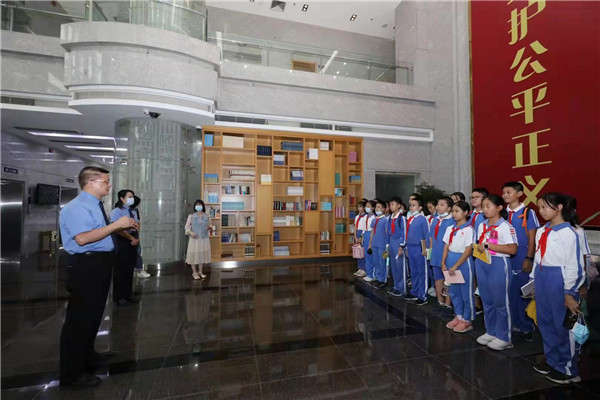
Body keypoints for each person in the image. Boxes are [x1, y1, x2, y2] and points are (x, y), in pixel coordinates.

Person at [59, 167, 137, 388]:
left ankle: (88, 356)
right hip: (86, 266)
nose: (109, 185)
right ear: (91, 182)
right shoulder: (77, 207)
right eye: (105, 182)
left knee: (93, 316)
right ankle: (72, 374)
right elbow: (82, 239)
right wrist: (116, 225)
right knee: (79, 320)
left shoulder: (95, 205)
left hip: (99, 264)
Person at [532, 193, 585, 384]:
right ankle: (553, 361)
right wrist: (533, 281)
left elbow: (575, 265)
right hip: (542, 276)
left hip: (559, 279)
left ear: (560, 207)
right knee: (545, 322)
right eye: (539, 207)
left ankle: (568, 368)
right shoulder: (542, 231)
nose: (541, 211)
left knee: (562, 325)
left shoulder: (570, 233)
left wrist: (569, 292)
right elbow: (538, 257)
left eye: (545, 207)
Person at [475, 194, 518, 351]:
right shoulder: (482, 225)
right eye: (483, 206)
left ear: (499, 207)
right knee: (487, 300)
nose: (484, 209)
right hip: (482, 262)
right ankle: (491, 331)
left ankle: (504, 337)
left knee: (500, 302)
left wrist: (489, 246)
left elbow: (512, 249)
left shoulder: (505, 227)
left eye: (488, 206)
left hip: (499, 264)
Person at [502, 181, 540, 342]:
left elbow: (532, 238)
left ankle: (526, 326)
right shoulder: (501, 212)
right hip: (504, 256)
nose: (505, 195)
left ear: (519, 194)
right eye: (504, 192)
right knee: (508, 292)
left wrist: (529, 258)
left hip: (522, 256)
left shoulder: (527, 212)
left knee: (523, 293)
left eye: (509, 192)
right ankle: (512, 324)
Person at [442, 201, 475, 333]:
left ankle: (467, 319)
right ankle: (459, 315)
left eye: (457, 211)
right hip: (451, 259)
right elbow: (446, 246)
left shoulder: (469, 230)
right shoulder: (450, 228)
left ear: (466, 213)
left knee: (466, 291)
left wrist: (456, 265)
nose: (454, 214)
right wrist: (443, 262)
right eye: (453, 211)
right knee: (454, 291)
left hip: (463, 262)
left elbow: (468, 250)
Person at [110, 190, 140, 306]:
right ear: (122, 198)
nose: (132, 199)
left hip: (133, 241)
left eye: (132, 196)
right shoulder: (117, 211)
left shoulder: (133, 211)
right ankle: (119, 297)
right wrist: (130, 238)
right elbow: (115, 228)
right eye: (129, 197)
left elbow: (136, 225)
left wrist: (136, 238)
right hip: (122, 241)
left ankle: (128, 294)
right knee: (120, 270)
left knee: (129, 269)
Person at [429, 197, 455, 307]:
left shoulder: (452, 221)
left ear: (449, 208)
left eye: (442, 205)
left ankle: (448, 304)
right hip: (435, 254)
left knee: (449, 279)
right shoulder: (435, 220)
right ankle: (440, 301)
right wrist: (430, 252)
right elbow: (431, 237)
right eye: (438, 204)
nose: (438, 207)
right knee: (438, 278)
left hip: (447, 254)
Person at [404, 197, 430, 305]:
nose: (411, 207)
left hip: (419, 248)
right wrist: (406, 247)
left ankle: (422, 295)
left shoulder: (422, 219)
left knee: (421, 271)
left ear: (420, 208)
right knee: (413, 271)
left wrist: (426, 249)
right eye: (410, 205)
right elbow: (407, 234)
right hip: (410, 247)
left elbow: (427, 234)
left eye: (414, 205)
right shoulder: (410, 219)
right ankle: (414, 291)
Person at [185, 199, 212, 279]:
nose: (199, 206)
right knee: (193, 255)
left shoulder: (206, 216)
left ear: (203, 206)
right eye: (197, 205)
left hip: (204, 239)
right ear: (195, 206)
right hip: (194, 239)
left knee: (201, 255)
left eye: (200, 205)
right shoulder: (191, 216)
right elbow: (187, 227)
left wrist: (209, 227)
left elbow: (210, 225)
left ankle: (200, 271)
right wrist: (191, 232)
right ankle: (194, 272)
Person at [387, 197, 407, 297]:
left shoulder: (401, 218)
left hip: (398, 242)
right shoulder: (390, 218)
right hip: (391, 242)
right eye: (390, 205)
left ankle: (402, 288)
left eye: (393, 204)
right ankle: (396, 286)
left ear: (399, 206)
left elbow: (404, 233)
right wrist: (388, 245)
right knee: (393, 266)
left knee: (400, 267)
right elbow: (388, 232)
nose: (391, 207)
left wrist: (401, 246)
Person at [367, 200, 390, 289]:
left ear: (384, 209)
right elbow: (372, 232)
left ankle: (383, 280)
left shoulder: (385, 220)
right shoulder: (374, 220)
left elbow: (387, 232)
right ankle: (377, 277)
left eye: (379, 207)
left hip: (382, 245)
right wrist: (370, 244)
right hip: (374, 244)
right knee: (376, 261)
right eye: (376, 207)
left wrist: (387, 245)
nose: (377, 209)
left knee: (382, 262)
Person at [131, 195, 151, 278]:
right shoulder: (124, 211)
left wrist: (137, 231)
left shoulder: (135, 210)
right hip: (127, 234)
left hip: (135, 234)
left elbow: (138, 222)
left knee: (138, 252)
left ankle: (139, 269)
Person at [362, 201, 376, 283]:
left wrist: (370, 242)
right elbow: (364, 228)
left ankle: (372, 275)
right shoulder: (365, 217)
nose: (366, 208)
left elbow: (373, 231)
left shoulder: (374, 218)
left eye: (368, 206)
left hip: (371, 235)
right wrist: (362, 237)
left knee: (370, 255)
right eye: (366, 206)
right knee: (366, 256)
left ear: (372, 208)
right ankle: (368, 273)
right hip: (366, 234)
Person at [353, 201, 368, 277]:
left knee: (363, 252)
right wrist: (355, 236)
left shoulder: (366, 217)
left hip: (363, 234)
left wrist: (361, 237)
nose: (359, 208)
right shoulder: (357, 217)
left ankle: (364, 269)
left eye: (361, 207)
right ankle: (360, 267)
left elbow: (365, 228)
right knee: (358, 252)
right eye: (358, 207)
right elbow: (355, 227)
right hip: (357, 234)